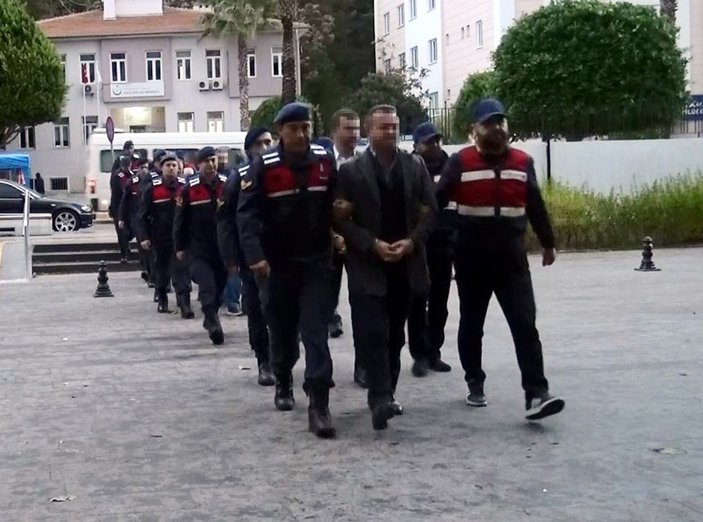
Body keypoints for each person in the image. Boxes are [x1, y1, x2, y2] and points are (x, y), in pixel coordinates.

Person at [436, 98, 565, 420]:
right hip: (471, 259)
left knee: (525, 324)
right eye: (488, 123)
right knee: (472, 324)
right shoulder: (460, 162)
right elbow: (435, 203)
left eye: (500, 122)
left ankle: (536, 393)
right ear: (474, 130)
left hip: (512, 259)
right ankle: (474, 381)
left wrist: (548, 243)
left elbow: (535, 204)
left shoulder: (523, 162)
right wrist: (446, 238)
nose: (496, 128)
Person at [333, 105, 437, 430]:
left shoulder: (414, 166)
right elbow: (338, 218)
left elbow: (430, 210)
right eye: (382, 128)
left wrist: (412, 242)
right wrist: (369, 243)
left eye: (393, 127)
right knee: (373, 332)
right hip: (367, 265)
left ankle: (387, 393)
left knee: (395, 336)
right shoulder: (351, 171)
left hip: (404, 264)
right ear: (368, 132)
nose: (389, 132)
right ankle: (379, 398)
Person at [237, 103, 337, 439]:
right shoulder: (263, 166)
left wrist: (339, 234)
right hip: (277, 265)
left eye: (306, 127)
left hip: (316, 263)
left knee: (315, 333)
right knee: (282, 333)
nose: (301, 134)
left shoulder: (324, 161)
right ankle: (283, 378)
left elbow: (336, 204)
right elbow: (246, 216)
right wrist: (255, 256)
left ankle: (319, 403)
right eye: (294, 128)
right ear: (281, 131)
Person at [217, 127, 275, 386]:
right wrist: (231, 257)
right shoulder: (238, 178)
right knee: (257, 310)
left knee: (282, 309)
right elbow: (226, 220)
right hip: (250, 255)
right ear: (249, 149)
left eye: (270, 142)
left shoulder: (279, 170)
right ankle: (264, 360)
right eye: (260, 144)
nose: (266, 148)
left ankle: (282, 355)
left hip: (281, 254)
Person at [407, 122, 453, 377]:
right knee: (417, 300)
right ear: (416, 145)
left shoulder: (450, 166)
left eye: (436, 141)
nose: (434, 146)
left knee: (440, 302)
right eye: (428, 142)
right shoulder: (410, 168)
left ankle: (434, 351)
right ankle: (419, 354)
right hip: (417, 245)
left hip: (444, 244)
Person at [173, 146, 229, 345]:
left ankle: (210, 313)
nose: (211, 165)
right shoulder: (189, 188)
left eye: (213, 160)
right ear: (198, 165)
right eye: (207, 161)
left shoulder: (226, 184)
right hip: (198, 249)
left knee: (221, 288)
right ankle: (213, 322)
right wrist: (179, 246)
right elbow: (180, 219)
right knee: (207, 286)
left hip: (222, 247)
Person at [329, 109, 367, 388]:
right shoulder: (323, 163)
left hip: (358, 244)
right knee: (323, 305)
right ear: (335, 132)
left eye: (356, 129)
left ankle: (363, 365)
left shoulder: (366, 161)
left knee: (363, 306)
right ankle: (320, 367)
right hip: (327, 244)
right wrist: (333, 235)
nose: (353, 134)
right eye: (348, 129)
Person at [137, 152, 194, 318]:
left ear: (178, 168)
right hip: (160, 237)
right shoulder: (153, 189)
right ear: (161, 168)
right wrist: (144, 237)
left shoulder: (184, 187)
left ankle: (184, 303)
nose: (171, 168)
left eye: (174, 165)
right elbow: (142, 215)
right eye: (167, 165)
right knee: (161, 270)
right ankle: (162, 298)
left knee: (181, 271)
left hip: (180, 238)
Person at [109, 155, 133, 263]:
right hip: (118, 207)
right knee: (122, 232)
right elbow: (124, 190)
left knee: (129, 230)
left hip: (127, 208)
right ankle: (124, 254)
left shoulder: (129, 175)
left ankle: (126, 247)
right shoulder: (119, 176)